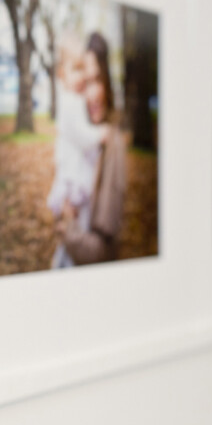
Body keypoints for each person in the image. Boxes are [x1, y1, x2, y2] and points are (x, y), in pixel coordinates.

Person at [54, 32, 127, 266]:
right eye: (84, 83)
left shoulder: (110, 143)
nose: (92, 94)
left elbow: (102, 251)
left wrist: (67, 228)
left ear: (107, 81)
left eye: (97, 81)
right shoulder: (81, 134)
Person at [48, 31, 109, 268]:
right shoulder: (70, 103)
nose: (82, 75)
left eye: (83, 68)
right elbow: (82, 136)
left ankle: (66, 261)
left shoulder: (74, 99)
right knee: (76, 227)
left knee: (74, 228)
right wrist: (99, 134)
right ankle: (64, 266)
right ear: (62, 75)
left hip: (75, 172)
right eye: (76, 69)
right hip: (73, 178)